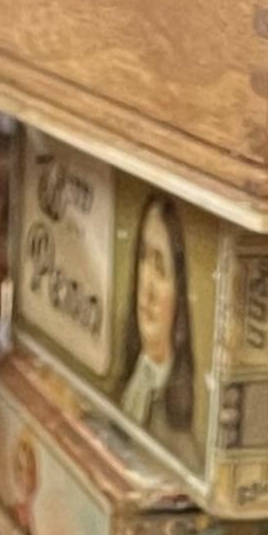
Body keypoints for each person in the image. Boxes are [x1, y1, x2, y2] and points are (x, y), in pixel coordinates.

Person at [118, 190, 198, 449]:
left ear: (180, 292)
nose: (147, 288)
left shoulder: (181, 442)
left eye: (161, 269)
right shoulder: (125, 388)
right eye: (143, 259)